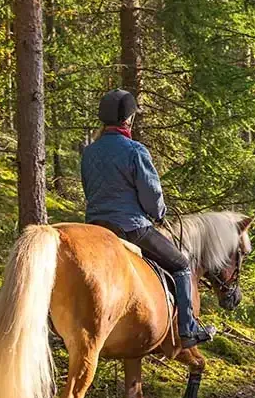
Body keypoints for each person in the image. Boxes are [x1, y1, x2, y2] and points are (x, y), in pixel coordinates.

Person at [81, 89, 216, 349]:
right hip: (131, 228)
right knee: (181, 264)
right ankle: (188, 329)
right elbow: (151, 193)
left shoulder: (89, 152)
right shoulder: (135, 151)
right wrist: (159, 213)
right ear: (128, 120)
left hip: (96, 228)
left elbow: (89, 189)